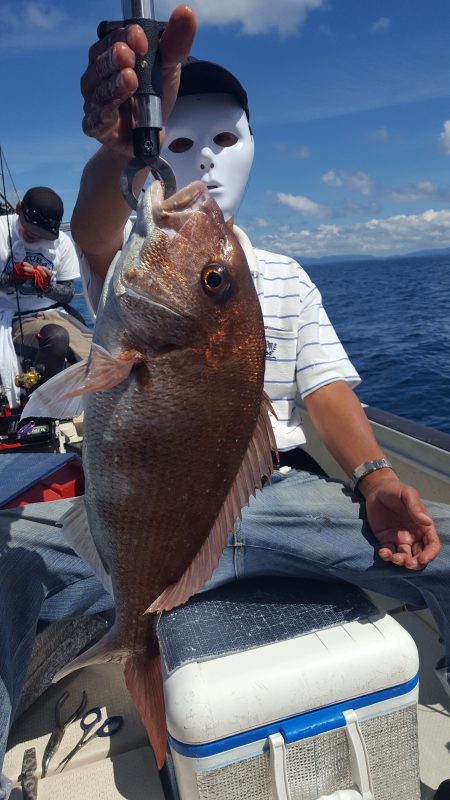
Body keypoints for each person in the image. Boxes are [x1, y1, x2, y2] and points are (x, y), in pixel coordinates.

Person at [0, 8, 449, 797]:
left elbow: (325, 389)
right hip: (132, 520)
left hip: (271, 504)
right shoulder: (138, 267)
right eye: (179, 141)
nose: (202, 160)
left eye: (224, 140)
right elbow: (96, 227)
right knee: (5, 571)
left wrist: (376, 479)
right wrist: (115, 151)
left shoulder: (278, 274)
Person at [0, 187, 92, 410]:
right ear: (19, 209)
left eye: (41, 234)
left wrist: (47, 287)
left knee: (98, 353)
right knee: (57, 337)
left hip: (53, 313)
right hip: (12, 317)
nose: (34, 236)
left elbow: (68, 293)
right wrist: (12, 278)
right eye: (30, 229)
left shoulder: (62, 243)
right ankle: (46, 408)